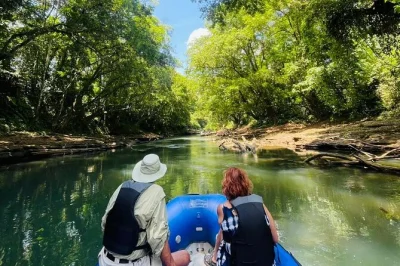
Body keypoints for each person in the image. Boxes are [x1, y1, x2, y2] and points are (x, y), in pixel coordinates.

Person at [98, 154, 190, 266]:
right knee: (185, 256)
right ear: (157, 174)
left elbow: (104, 223)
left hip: (105, 259)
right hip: (133, 263)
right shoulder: (156, 192)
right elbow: (158, 238)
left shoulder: (122, 186)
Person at [205, 167, 279, 266]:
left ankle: (214, 258)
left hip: (238, 262)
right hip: (265, 262)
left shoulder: (223, 208)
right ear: (245, 183)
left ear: (226, 187)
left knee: (222, 235)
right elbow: (275, 239)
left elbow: (224, 232)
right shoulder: (260, 204)